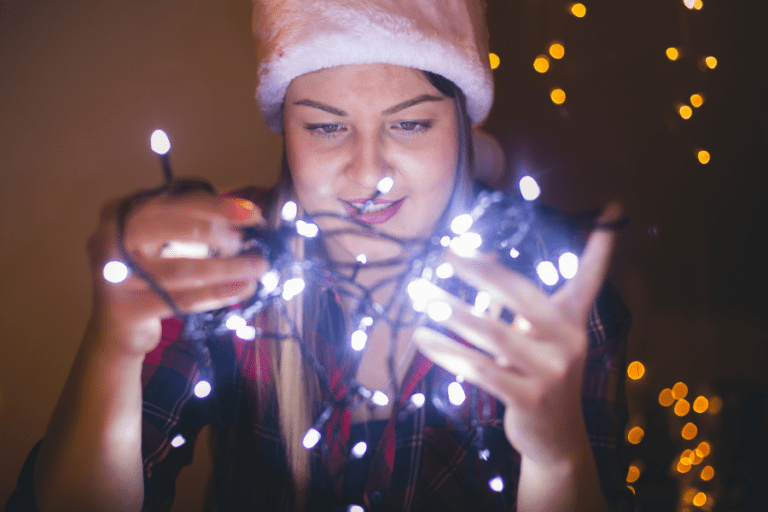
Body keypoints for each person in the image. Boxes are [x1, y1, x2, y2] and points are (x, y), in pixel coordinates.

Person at [7, 0, 633, 510]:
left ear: (464, 125)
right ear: (287, 130)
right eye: (326, 126)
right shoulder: (224, 272)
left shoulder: (554, 295)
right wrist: (112, 345)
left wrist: (558, 458)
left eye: (411, 124)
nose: (369, 173)